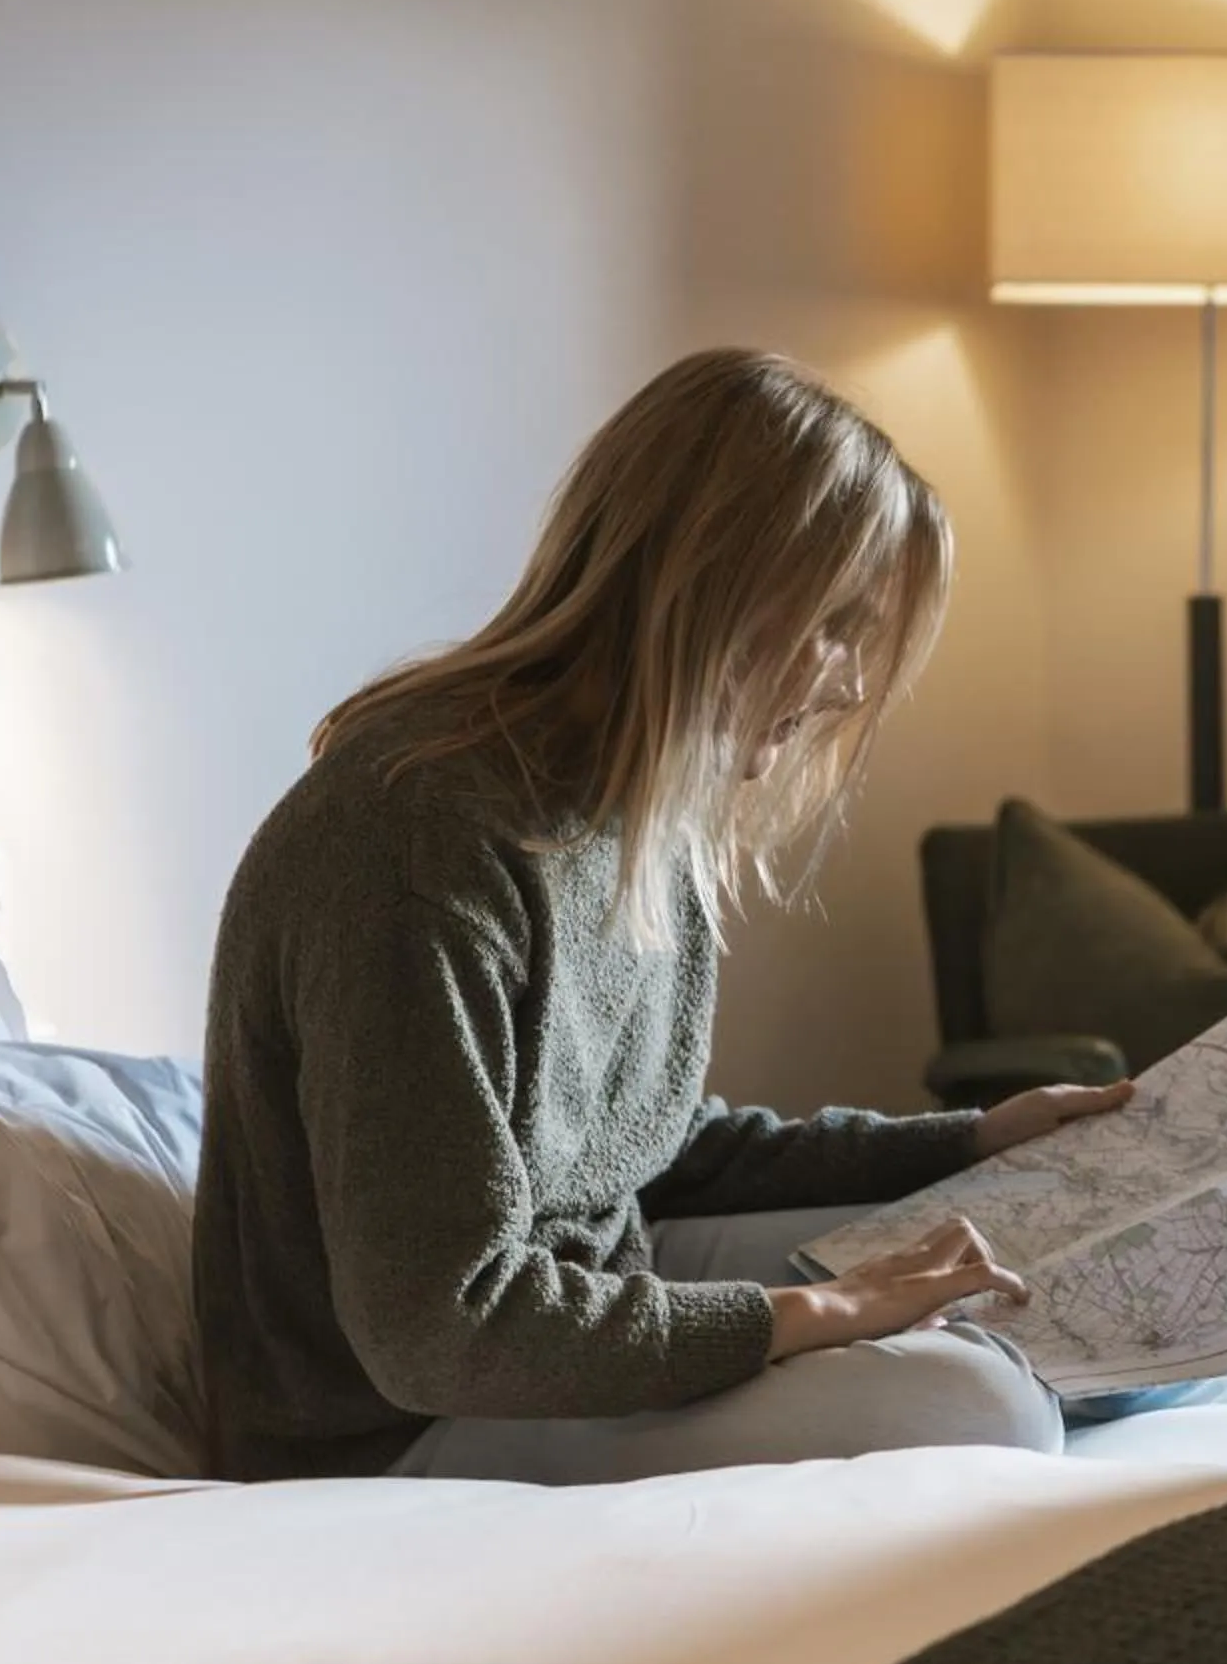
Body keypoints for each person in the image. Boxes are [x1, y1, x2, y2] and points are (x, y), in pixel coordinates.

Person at [194, 348, 1173, 1486]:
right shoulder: (411, 849)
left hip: (586, 1299)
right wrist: (831, 1306)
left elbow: (648, 1149)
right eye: (834, 625)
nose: (850, 685)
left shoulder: (627, 802)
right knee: (987, 1409)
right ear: (708, 586)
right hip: (392, 1425)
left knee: (1148, 1295)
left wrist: (967, 1140)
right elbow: (440, 1326)